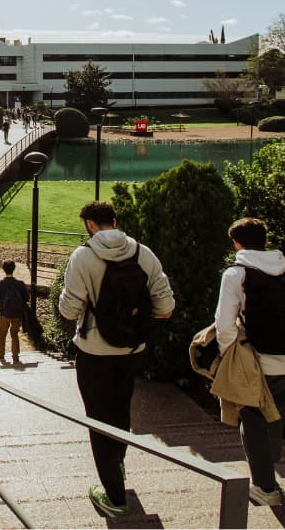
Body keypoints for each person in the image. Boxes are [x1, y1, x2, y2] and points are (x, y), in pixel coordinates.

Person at [57, 201, 175, 518]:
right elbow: (165, 305)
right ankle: (117, 464)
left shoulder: (83, 256)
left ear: (89, 225)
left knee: (97, 417)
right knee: (121, 408)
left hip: (94, 349)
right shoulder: (142, 253)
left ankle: (114, 496)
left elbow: (68, 310)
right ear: (115, 221)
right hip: (133, 348)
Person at [213, 217, 285, 507]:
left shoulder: (237, 274)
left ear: (236, 243)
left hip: (258, 361)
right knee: (276, 412)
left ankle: (265, 487)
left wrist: (231, 356)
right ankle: (269, 471)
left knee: (251, 420)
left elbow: (224, 324)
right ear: (265, 239)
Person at [0, 260, 29, 364]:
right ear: (14, 269)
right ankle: (15, 357)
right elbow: (26, 298)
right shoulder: (20, 284)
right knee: (14, 335)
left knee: (2, 334)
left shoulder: (0, 284)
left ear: (3, 269)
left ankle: (0, 355)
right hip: (17, 314)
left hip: (4, 313)